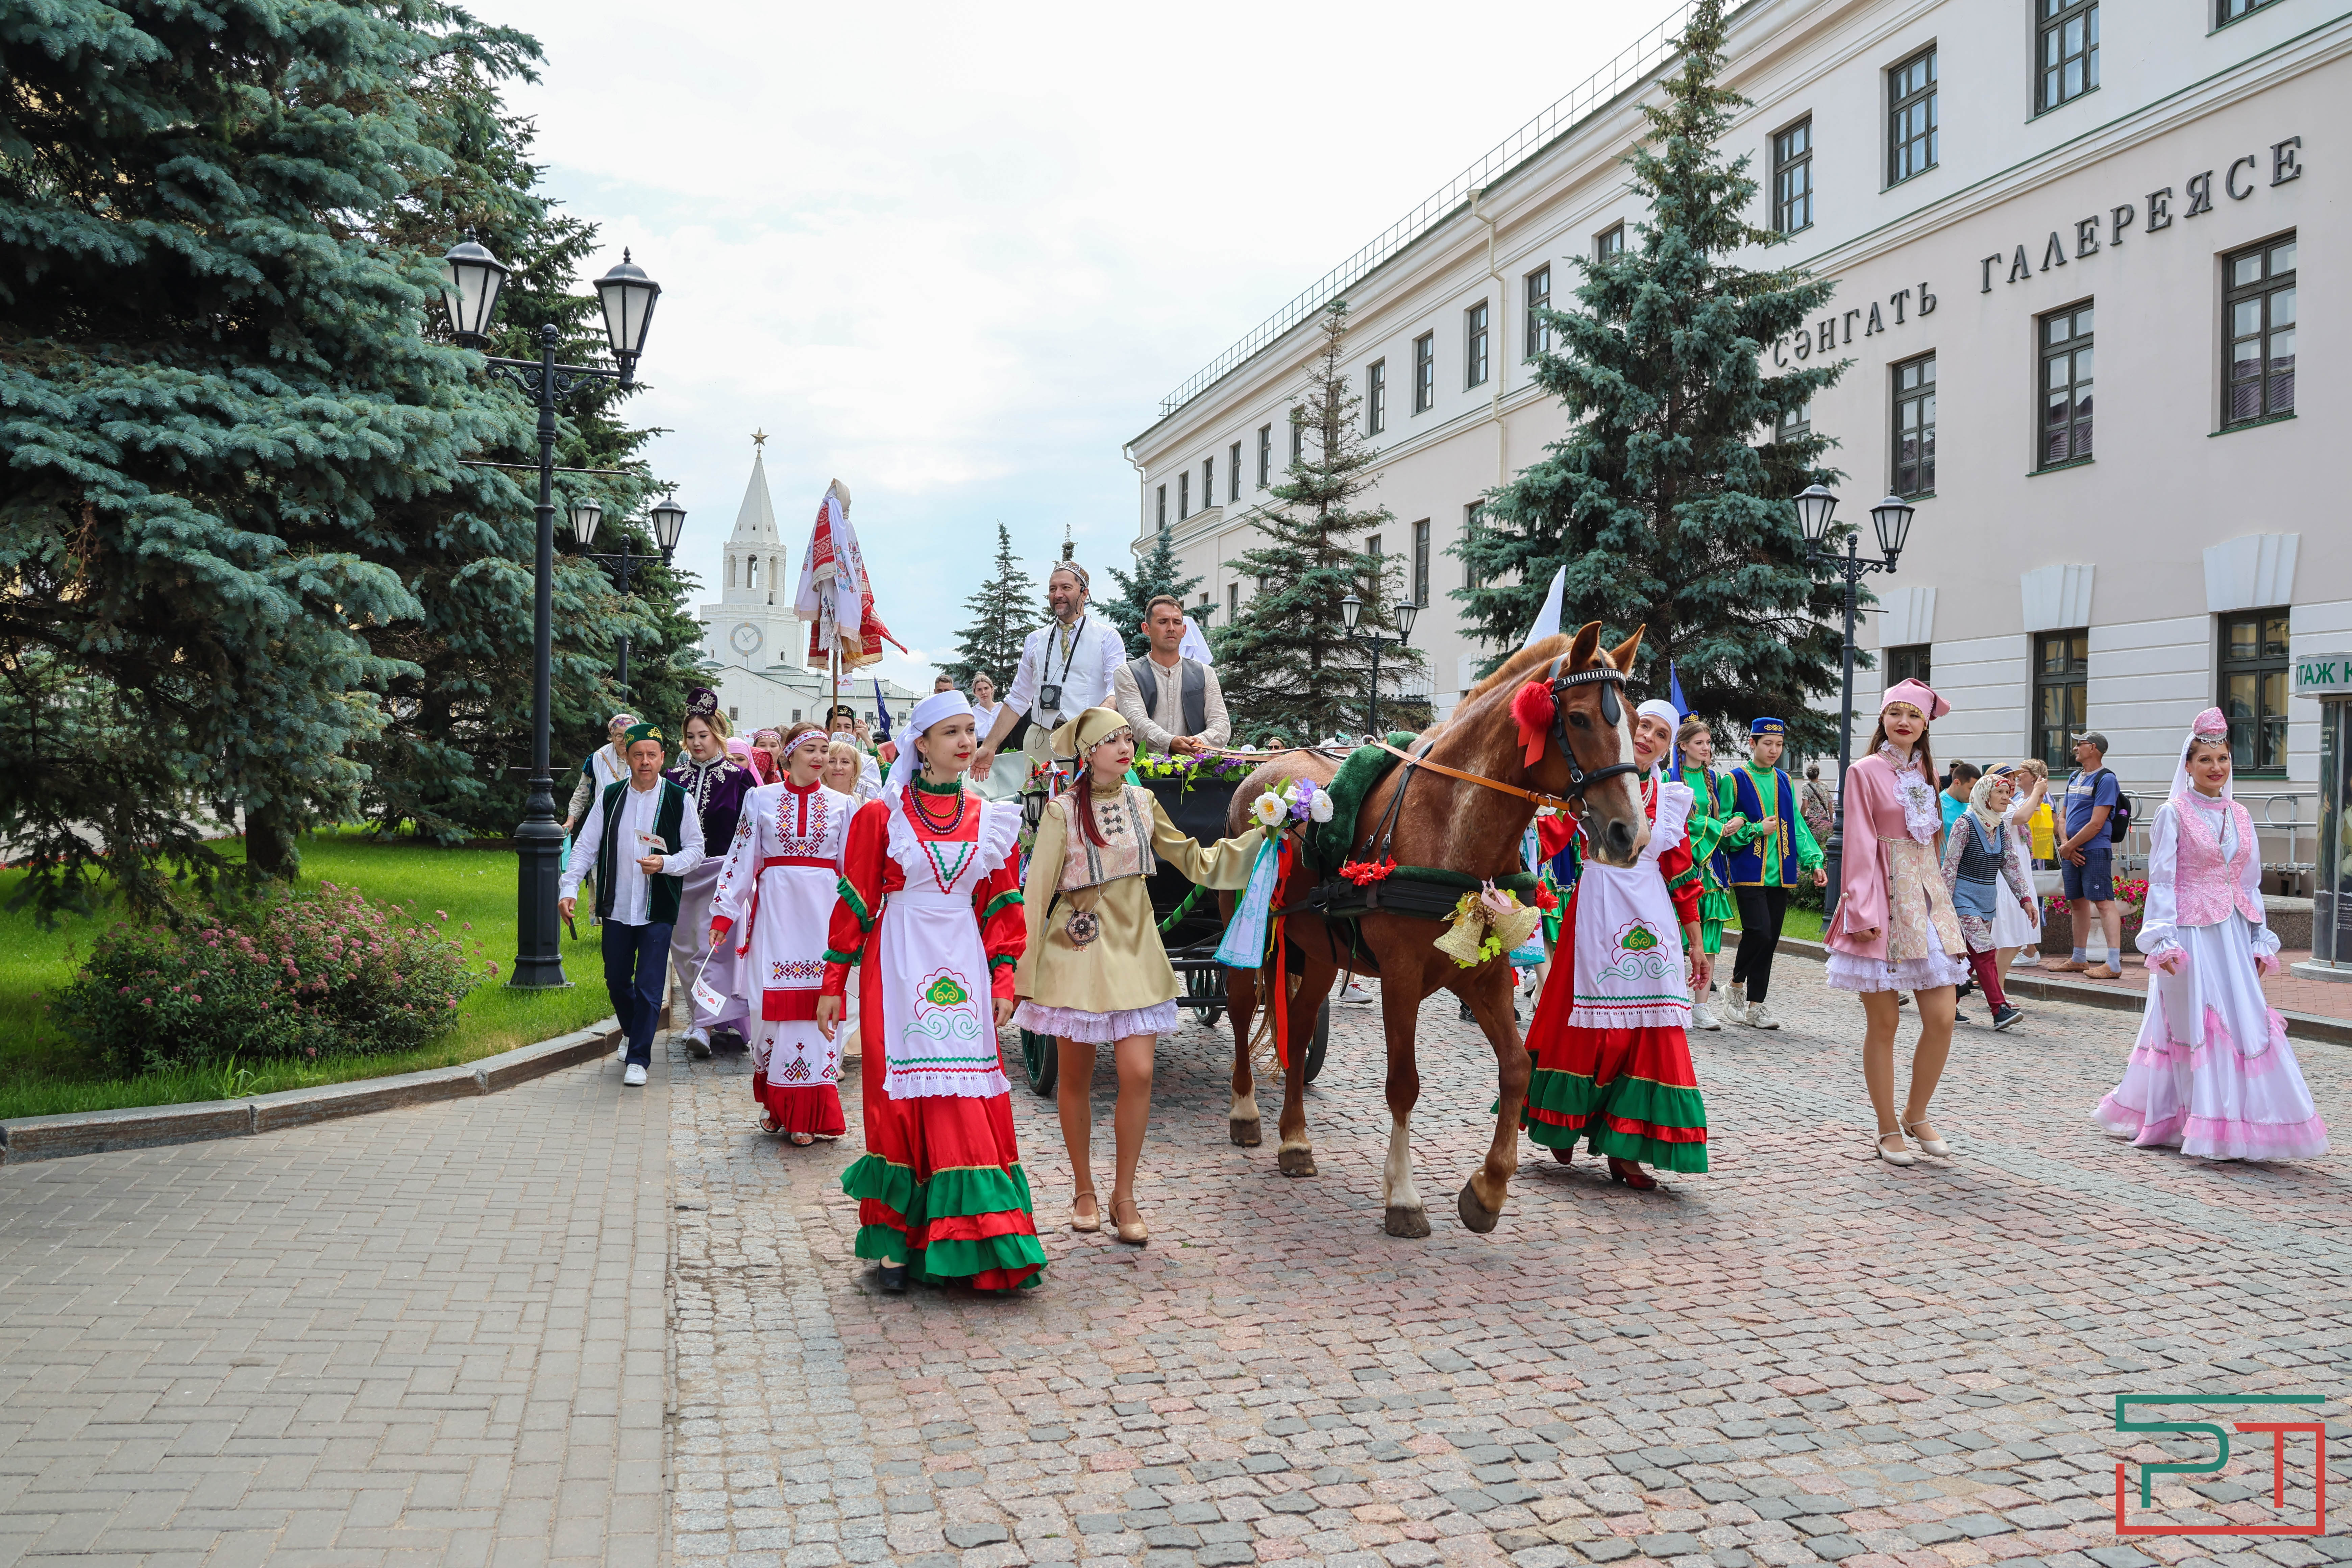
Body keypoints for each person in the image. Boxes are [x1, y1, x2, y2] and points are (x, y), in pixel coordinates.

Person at [1012, 707, 1267, 1245]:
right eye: (1112, 741)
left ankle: (1124, 1194)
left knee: (1139, 1072)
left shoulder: (1144, 802)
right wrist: (1022, 977)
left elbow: (1197, 862)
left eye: (1128, 738)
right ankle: (1084, 1189)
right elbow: (1035, 897)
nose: (1126, 747)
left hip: (1136, 948)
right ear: (1088, 754)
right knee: (1075, 1078)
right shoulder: (1060, 812)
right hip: (1076, 950)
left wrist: (1262, 837)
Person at [816, 691, 1042, 1294]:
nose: (967, 742)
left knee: (967, 1098)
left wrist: (1003, 977)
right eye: (952, 733)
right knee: (895, 1099)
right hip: (897, 962)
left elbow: (1001, 905)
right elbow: (857, 900)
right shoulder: (880, 817)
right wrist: (833, 982)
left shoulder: (991, 818)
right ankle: (896, 1246)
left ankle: (975, 1242)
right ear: (922, 745)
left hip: (962, 964)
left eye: (971, 730)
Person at [2094, 711, 2329, 1161]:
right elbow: (2162, 879)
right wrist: (2161, 940)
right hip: (2190, 934)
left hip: (2234, 934)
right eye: (2205, 759)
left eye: (2222, 758)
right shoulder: (2173, 813)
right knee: (2197, 1022)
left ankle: (2237, 1121)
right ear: (2188, 764)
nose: (2215, 767)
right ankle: (2192, 1119)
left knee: (2242, 1021)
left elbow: (2249, 882)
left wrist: (2259, 938)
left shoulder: (2240, 814)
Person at [1519, 698, 1710, 1190]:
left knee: (1652, 1029)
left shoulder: (1671, 799)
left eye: (1661, 734)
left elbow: (1682, 874)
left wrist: (1696, 944)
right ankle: (1563, 1119)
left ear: (1668, 749)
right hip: (1598, 908)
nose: (1648, 737)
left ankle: (1628, 1146)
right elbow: (1549, 836)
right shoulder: (1595, 783)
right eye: (1643, 726)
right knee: (1582, 1022)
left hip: (1651, 915)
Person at [1823, 681, 1969, 1165]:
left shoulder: (1927, 772)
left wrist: (1944, 903)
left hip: (1926, 899)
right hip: (1881, 896)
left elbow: (1933, 842)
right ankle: (1887, 1127)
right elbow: (1860, 842)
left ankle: (1916, 1113)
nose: (1903, 722)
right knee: (1885, 1022)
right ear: (1883, 719)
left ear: (1926, 724)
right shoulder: (1863, 770)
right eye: (1895, 713)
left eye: (1913, 715)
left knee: (1943, 1017)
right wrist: (1861, 911)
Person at [708, 722, 854, 1145]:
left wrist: (860, 922)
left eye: (825, 749)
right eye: (811, 749)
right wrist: (724, 914)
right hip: (775, 916)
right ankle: (777, 1103)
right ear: (789, 754)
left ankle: (808, 1114)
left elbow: (852, 869)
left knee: (817, 1010)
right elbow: (742, 856)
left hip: (823, 919)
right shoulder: (760, 798)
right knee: (769, 1010)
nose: (820, 757)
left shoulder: (844, 805)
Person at [559, 723, 705, 1087]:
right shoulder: (610, 797)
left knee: (650, 985)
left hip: (658, 907)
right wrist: (569, 887)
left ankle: (639, 1057)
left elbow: (696, 850)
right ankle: (631, 1030)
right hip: (617, 905)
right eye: (638, 754)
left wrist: (666, 863)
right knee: (616, 979)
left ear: (662, 758)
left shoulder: (678, 799)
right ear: (627, 757)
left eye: (652, 755)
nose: (645, 762)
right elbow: (586, 846)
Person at [664, 691, 757, 1058]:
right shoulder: (673, 779)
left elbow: (751, 832)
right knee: (686, 952)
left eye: (703, 735)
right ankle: (702, 1017)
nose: (697, 743)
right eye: (690, 737)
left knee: (712, 951)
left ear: (718, 735)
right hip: (681, 877)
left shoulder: (739, 779)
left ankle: (702, 1026)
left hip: (722, 875)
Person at [973, 560, 1126, 780]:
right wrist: (989, 747)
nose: (1058, 594)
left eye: (1066, 588)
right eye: (1053, 589)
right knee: (1039, 801)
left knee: (1088, 802)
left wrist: (1095, 728)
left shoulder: (1107, 638)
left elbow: (1116, 690)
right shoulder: (1035, 640)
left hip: (1089, 742)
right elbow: (1018, 698)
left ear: (1084, 594)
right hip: (1040, 741)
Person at [1719, 717, 1826, 1031]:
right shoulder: (1734, 780)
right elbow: (1723, 829)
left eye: (1779, 745)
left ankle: (1756, 1006)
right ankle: (1734, 986)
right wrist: (1755, 829)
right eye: (1768, 744)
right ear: (1752, 744)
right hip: (1749, 870)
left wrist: (1814, 861)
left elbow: (1797, 825)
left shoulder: (1784, 779)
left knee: (1771, 940)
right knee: (1760, 932)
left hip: (1782, 872)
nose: (1774, 750)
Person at [1939, 768, 2032, 1031]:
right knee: (1986, 950)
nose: (2006, 797)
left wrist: (2025, 899)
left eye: (2008, 792)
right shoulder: (1965, 824)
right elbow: (1950, 865)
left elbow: (2010, 864)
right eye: (1999, 792)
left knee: (1971, 959)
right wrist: (1944, 907)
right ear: (1984, 796)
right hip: (1962, 899)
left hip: (1986, 902)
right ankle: (1999, 1009)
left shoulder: (2000, 826)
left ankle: (1948, 1003)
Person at [1671, 717, 1736, 1031]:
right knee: (1675, 935)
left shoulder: (1715, 779)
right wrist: (1716, 827)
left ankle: (1701, 1007)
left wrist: (1738, 823)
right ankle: (1673, 1000)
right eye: (1699, 743)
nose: (1706, 748)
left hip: (1711, 870)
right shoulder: (1670, 778)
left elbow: (1724, 817)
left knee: (1709, 937)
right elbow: (1676, 822)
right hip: (1680, 868)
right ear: (1683, 746)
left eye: (1709, 743)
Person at [1112, 595, 1232, 756]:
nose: (1171, 628)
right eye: (1163, 622)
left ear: (1184, 630)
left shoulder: (1205, 673)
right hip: (1142, 768)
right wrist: (1169, 742)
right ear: (1146, 629)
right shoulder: (1127, 673)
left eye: (1177, 622)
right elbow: (1136, 722)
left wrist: (1201, 742)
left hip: (1197, 766)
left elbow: (1221, 723)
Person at [2050, 731, 2125, 979]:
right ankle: (2079, 959)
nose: (2075, 748)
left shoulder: (2106, 779)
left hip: (2094, 850)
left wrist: (2069, 847)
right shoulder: (2074, 776)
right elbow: (2062, 817)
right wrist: (2066, 845)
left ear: (2093, 748)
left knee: (2103, 902)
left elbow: (2097, 823)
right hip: (2072, 850)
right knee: (2078, 902)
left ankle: (2113, 964)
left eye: (2079, 744)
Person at [1991, 762, 2048, 976]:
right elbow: (2023, 817)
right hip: (2009, 870)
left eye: (2013, 779)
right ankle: (1996, 985)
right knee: (2010, 930)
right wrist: (2037, 791)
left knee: (2015, 934)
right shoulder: (1999, 807)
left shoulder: (2013, 803)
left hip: (2020, 865)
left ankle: (1996, 984)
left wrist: (2038, 794)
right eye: (2006, 780)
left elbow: (2030, 811)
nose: (2012, 783)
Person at [564, 711, 636, 835]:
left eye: (628, 736)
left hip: (634, 823)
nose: (624, 741)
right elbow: (583, 791)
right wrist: (571, 819)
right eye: (619, 736)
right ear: (612, 736)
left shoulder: (640, 758)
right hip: (603, 821)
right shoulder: (598, 759)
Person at [1798, 762, 1836, 849]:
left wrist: (1801, 819)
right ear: (1818, 774)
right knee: (1822, 844)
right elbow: (1830, 805)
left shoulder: (1806, 786)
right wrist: (1831, 820)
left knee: (1810, 844)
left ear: (1808, 775)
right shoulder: (1825, 785)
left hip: (1811, 819)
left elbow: (1805, 805)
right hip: (1824, 819)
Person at [1939, 760, 1981, 835]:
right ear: (1957, 783)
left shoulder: (1973, 804)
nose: (1973, 794)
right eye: (1971, 789)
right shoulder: (1938, 805)